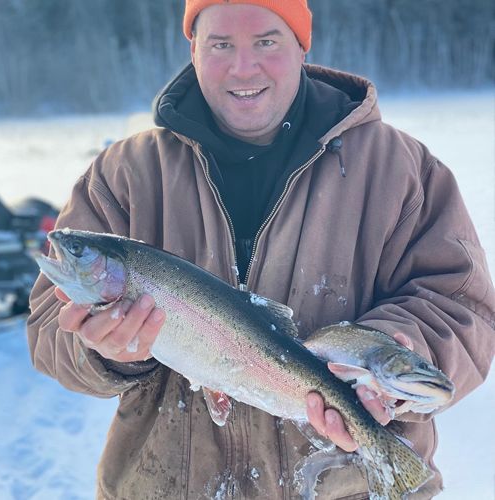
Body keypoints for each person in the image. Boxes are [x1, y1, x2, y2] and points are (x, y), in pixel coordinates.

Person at [27, 1, 495, 498]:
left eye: (266, 41)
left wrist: (385, 360)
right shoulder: (124, 173)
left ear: (301, 44)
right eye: (221, 44)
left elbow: (463, 309)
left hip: (348, 487)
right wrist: (106, 350)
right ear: (193, 50)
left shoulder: (400, 169)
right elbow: (46, 329)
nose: (242, 67)